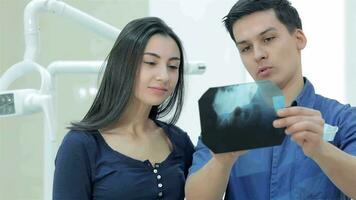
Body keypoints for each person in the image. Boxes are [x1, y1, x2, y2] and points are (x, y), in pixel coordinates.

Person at [185, 0, 356, 199]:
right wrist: (222, 162)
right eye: (246, 48)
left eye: (268, 39)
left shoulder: (343, 119)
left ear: (299, 38)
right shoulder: (225, 121)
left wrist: (320, 150)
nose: (258, 55)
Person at [53, 17, 194, 200]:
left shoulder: (178, 141)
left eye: (173, 66)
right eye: (151, 63)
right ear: (123, 64)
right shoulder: (81, 145)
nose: (164, 76)